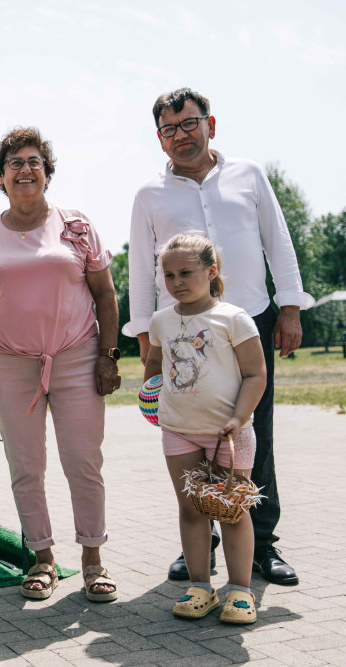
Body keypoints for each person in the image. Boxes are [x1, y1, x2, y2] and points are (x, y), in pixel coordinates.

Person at [126, 88, 314, 585]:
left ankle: (262, 547)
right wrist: (145, 338)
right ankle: (200, 547)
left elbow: (278, 239)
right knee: (190, 433)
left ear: (211, 124)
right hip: (181, 337)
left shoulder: (249, 174)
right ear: (159, 139)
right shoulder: (149, 195)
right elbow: (142, 274)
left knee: (252, 435)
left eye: (188, 124)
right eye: (169, 129)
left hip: (249, 321)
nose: (180, 136)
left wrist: (290, 307)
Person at [0, 127, 121, 603]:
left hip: (77, 357)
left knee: (83, 461)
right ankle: (41, 557)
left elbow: (106, 295)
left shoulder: (75, 225)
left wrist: (108, 356)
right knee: (26, 465)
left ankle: (93, 559)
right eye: (14, 163)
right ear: (0, 177)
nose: (25, 169)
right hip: (11, 364)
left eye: (34, 161)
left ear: (48, 173)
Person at [144, 233, 265, 624]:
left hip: (228, 433)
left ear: (212, 272)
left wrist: (238, 418)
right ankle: (200, 586)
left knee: (231, 510)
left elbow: (255, 374)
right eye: (169, 274)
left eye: (186, 272)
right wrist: (152, 404)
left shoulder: (233, 318)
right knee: (192, 509)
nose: (177, 281)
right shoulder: (161, 320)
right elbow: (154, 371)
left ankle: (241, 592)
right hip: (178, 431)